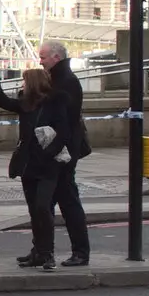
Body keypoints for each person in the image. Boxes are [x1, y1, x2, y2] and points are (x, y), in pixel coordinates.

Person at [0, 66, 74, 270]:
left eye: (25, 81)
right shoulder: (25, 103)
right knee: (34, 210)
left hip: (48, 165)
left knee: (43, 207)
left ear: (33, 83)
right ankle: (38, 252)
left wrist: (49, 153)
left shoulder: (55, 102)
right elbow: (4, 102)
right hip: (28, 164)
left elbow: (63, 133)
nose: (22, 85)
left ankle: (48, 253)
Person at [38, 40, 91, 266]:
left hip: (64, 152)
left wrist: (55, 150)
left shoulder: (66, 81)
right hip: (59, 150)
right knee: (44, 203)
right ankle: (42, 251)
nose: (40, 62)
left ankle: (80, 252)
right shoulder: (57, 78)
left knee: (68, 201)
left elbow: (65, 123)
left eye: (43, 58)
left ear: (56, 58)